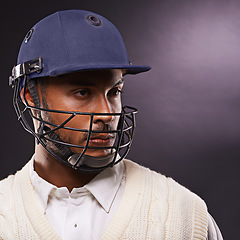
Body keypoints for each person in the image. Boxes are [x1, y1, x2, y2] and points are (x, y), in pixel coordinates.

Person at [0, 9, 223, 239]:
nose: (107, 115)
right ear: (29, 96)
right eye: (83, 92)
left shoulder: (185, 215)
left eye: (114, 92)